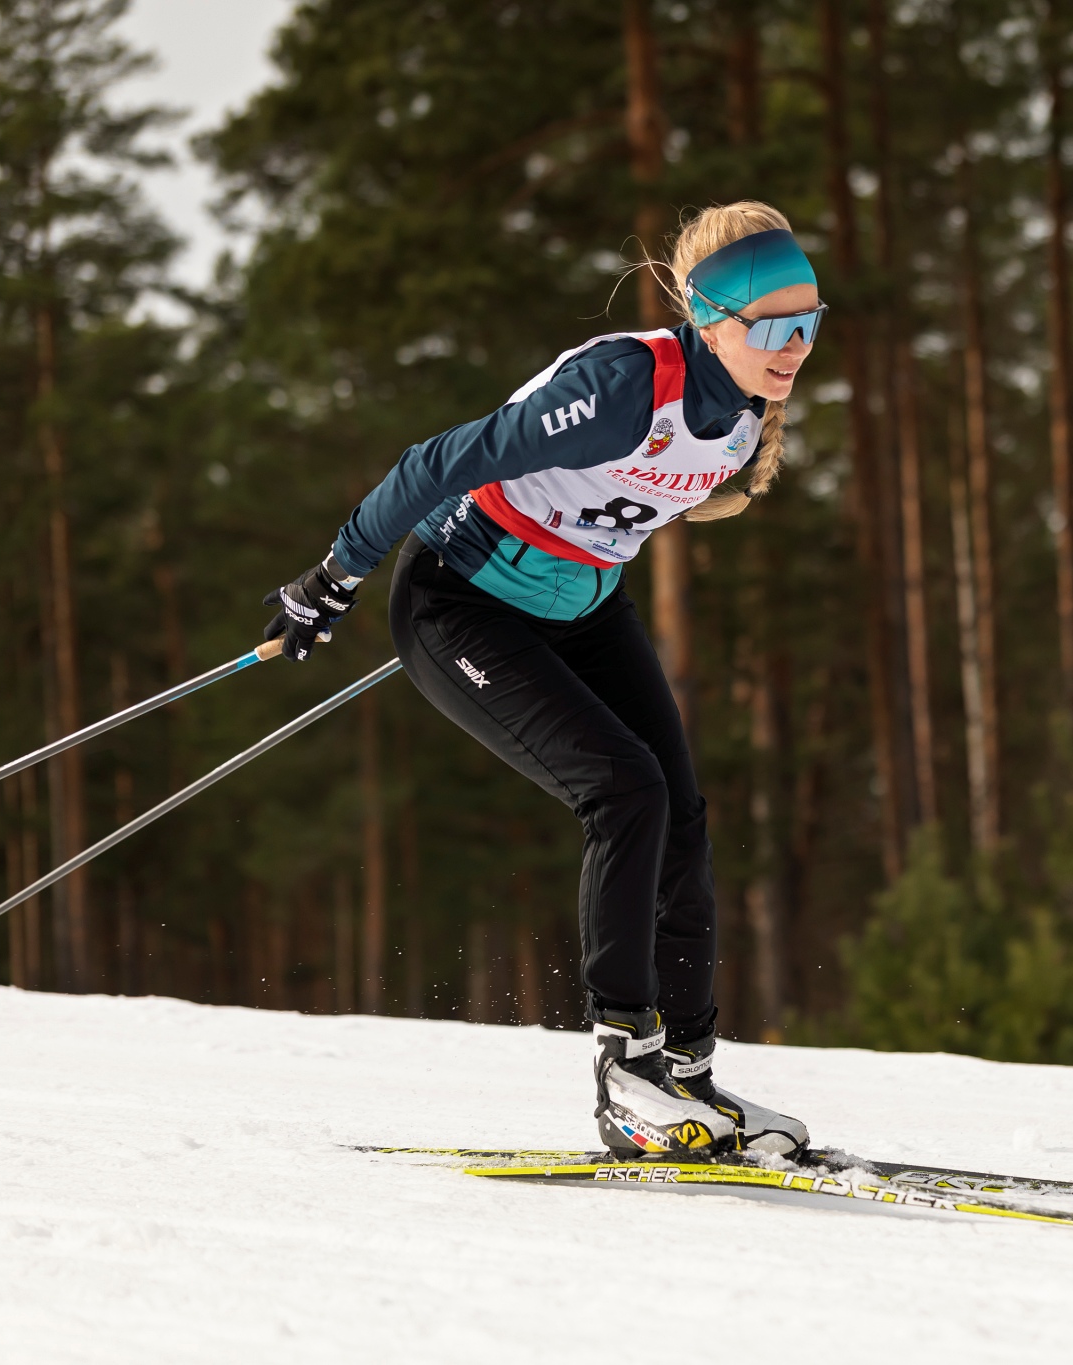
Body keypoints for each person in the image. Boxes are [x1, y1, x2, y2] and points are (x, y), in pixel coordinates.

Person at [261, 201, 822, 1159]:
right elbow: (436, 461)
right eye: (774, 328)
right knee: (625, 790)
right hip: (461, 603)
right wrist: (334, 578)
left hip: (583, 606)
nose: (795, 348)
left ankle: (689, 1074)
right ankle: (625, 1073)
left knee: (680, 813)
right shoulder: (620, 387)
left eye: (809, 324)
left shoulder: (744, 415)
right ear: (709, 316)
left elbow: (636, 496)